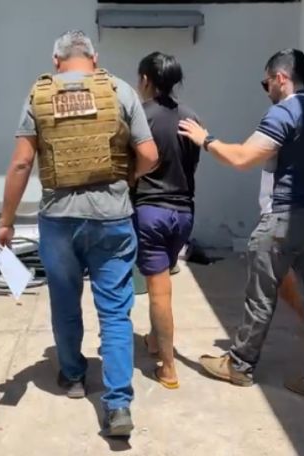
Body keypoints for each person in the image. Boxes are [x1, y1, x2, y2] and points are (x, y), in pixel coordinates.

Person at [0, 30, 158, 435]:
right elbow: (150, 155)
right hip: (112, 217)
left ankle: (72, 377)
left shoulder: (39, 95)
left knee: (65, 302)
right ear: (94, 57)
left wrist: (6, 221)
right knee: (116, 312)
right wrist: (127, 179)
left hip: (59, 219)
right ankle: (118, 405)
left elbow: (21, 164)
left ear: (56, 60)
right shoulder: (120, 91)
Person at [178, 49, 304, 405]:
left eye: (266, 82)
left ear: (281, 78)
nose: (266, 89)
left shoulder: (285, 112)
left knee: (261, 295)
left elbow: (242, 158)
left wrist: (205, 140)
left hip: (283, 221)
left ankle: (240, 364)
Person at [132, 52, 200, 390]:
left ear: (146, 80)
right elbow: (191, 166)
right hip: (183, 214)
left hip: (151, 212)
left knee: (159, 291)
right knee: (160, 281)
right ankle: (154, 340)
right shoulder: (191, 118)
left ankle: (169, 367)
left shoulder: (140, 117)